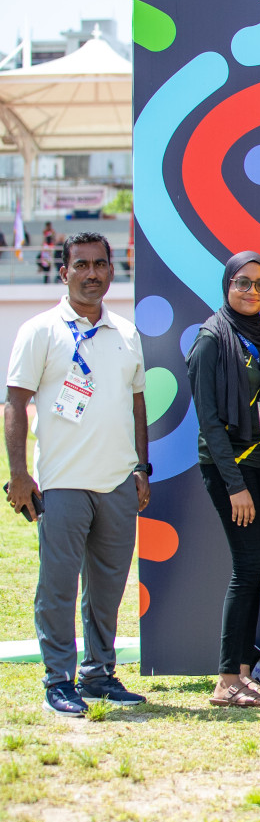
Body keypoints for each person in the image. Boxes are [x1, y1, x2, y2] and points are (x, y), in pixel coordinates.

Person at [6, 231, 150, 716]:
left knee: (108, 588)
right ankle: (58, 680)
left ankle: (98, 674)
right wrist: (19, 474)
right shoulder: (40, 330)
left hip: (117, 483)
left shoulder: (126, 334)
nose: (92, 274)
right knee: (59, 585)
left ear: (113, 270)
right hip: (62, 482)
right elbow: (16, 403)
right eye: (81, 265)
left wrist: (141, 470)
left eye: (101, 264)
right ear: (63, 271)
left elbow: (137, 407)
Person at [187, 252, 260, 708]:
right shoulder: (211, 339)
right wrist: (235, 486)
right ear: (227, 284)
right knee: (247, 569)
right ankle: (226, 680)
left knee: (256, 569)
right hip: (231, 471)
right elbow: (207, 422)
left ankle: (244, 673)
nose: (253, 292)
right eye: (243, 283)